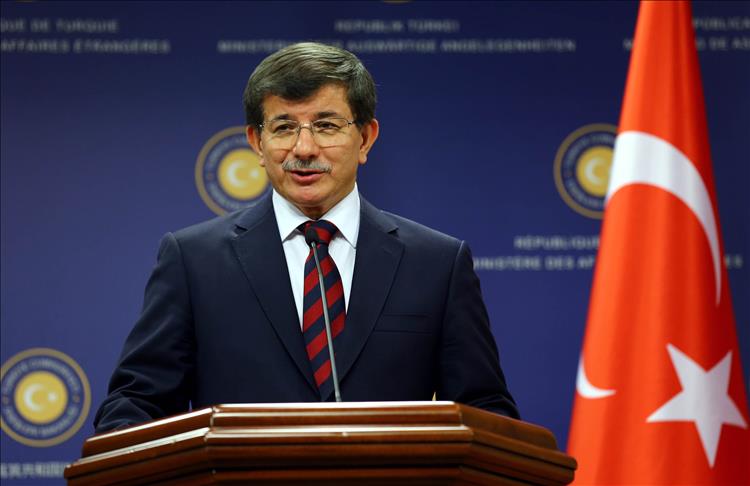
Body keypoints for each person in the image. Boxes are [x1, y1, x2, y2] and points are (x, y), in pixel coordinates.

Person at [94, 42, 518, 433]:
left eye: (326, 126)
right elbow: (136, 405)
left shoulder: (436, 264)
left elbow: (485, 411)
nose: (304, 148)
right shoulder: (193, 261)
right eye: (283, 128)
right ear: (256, 143)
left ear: (365, 138)